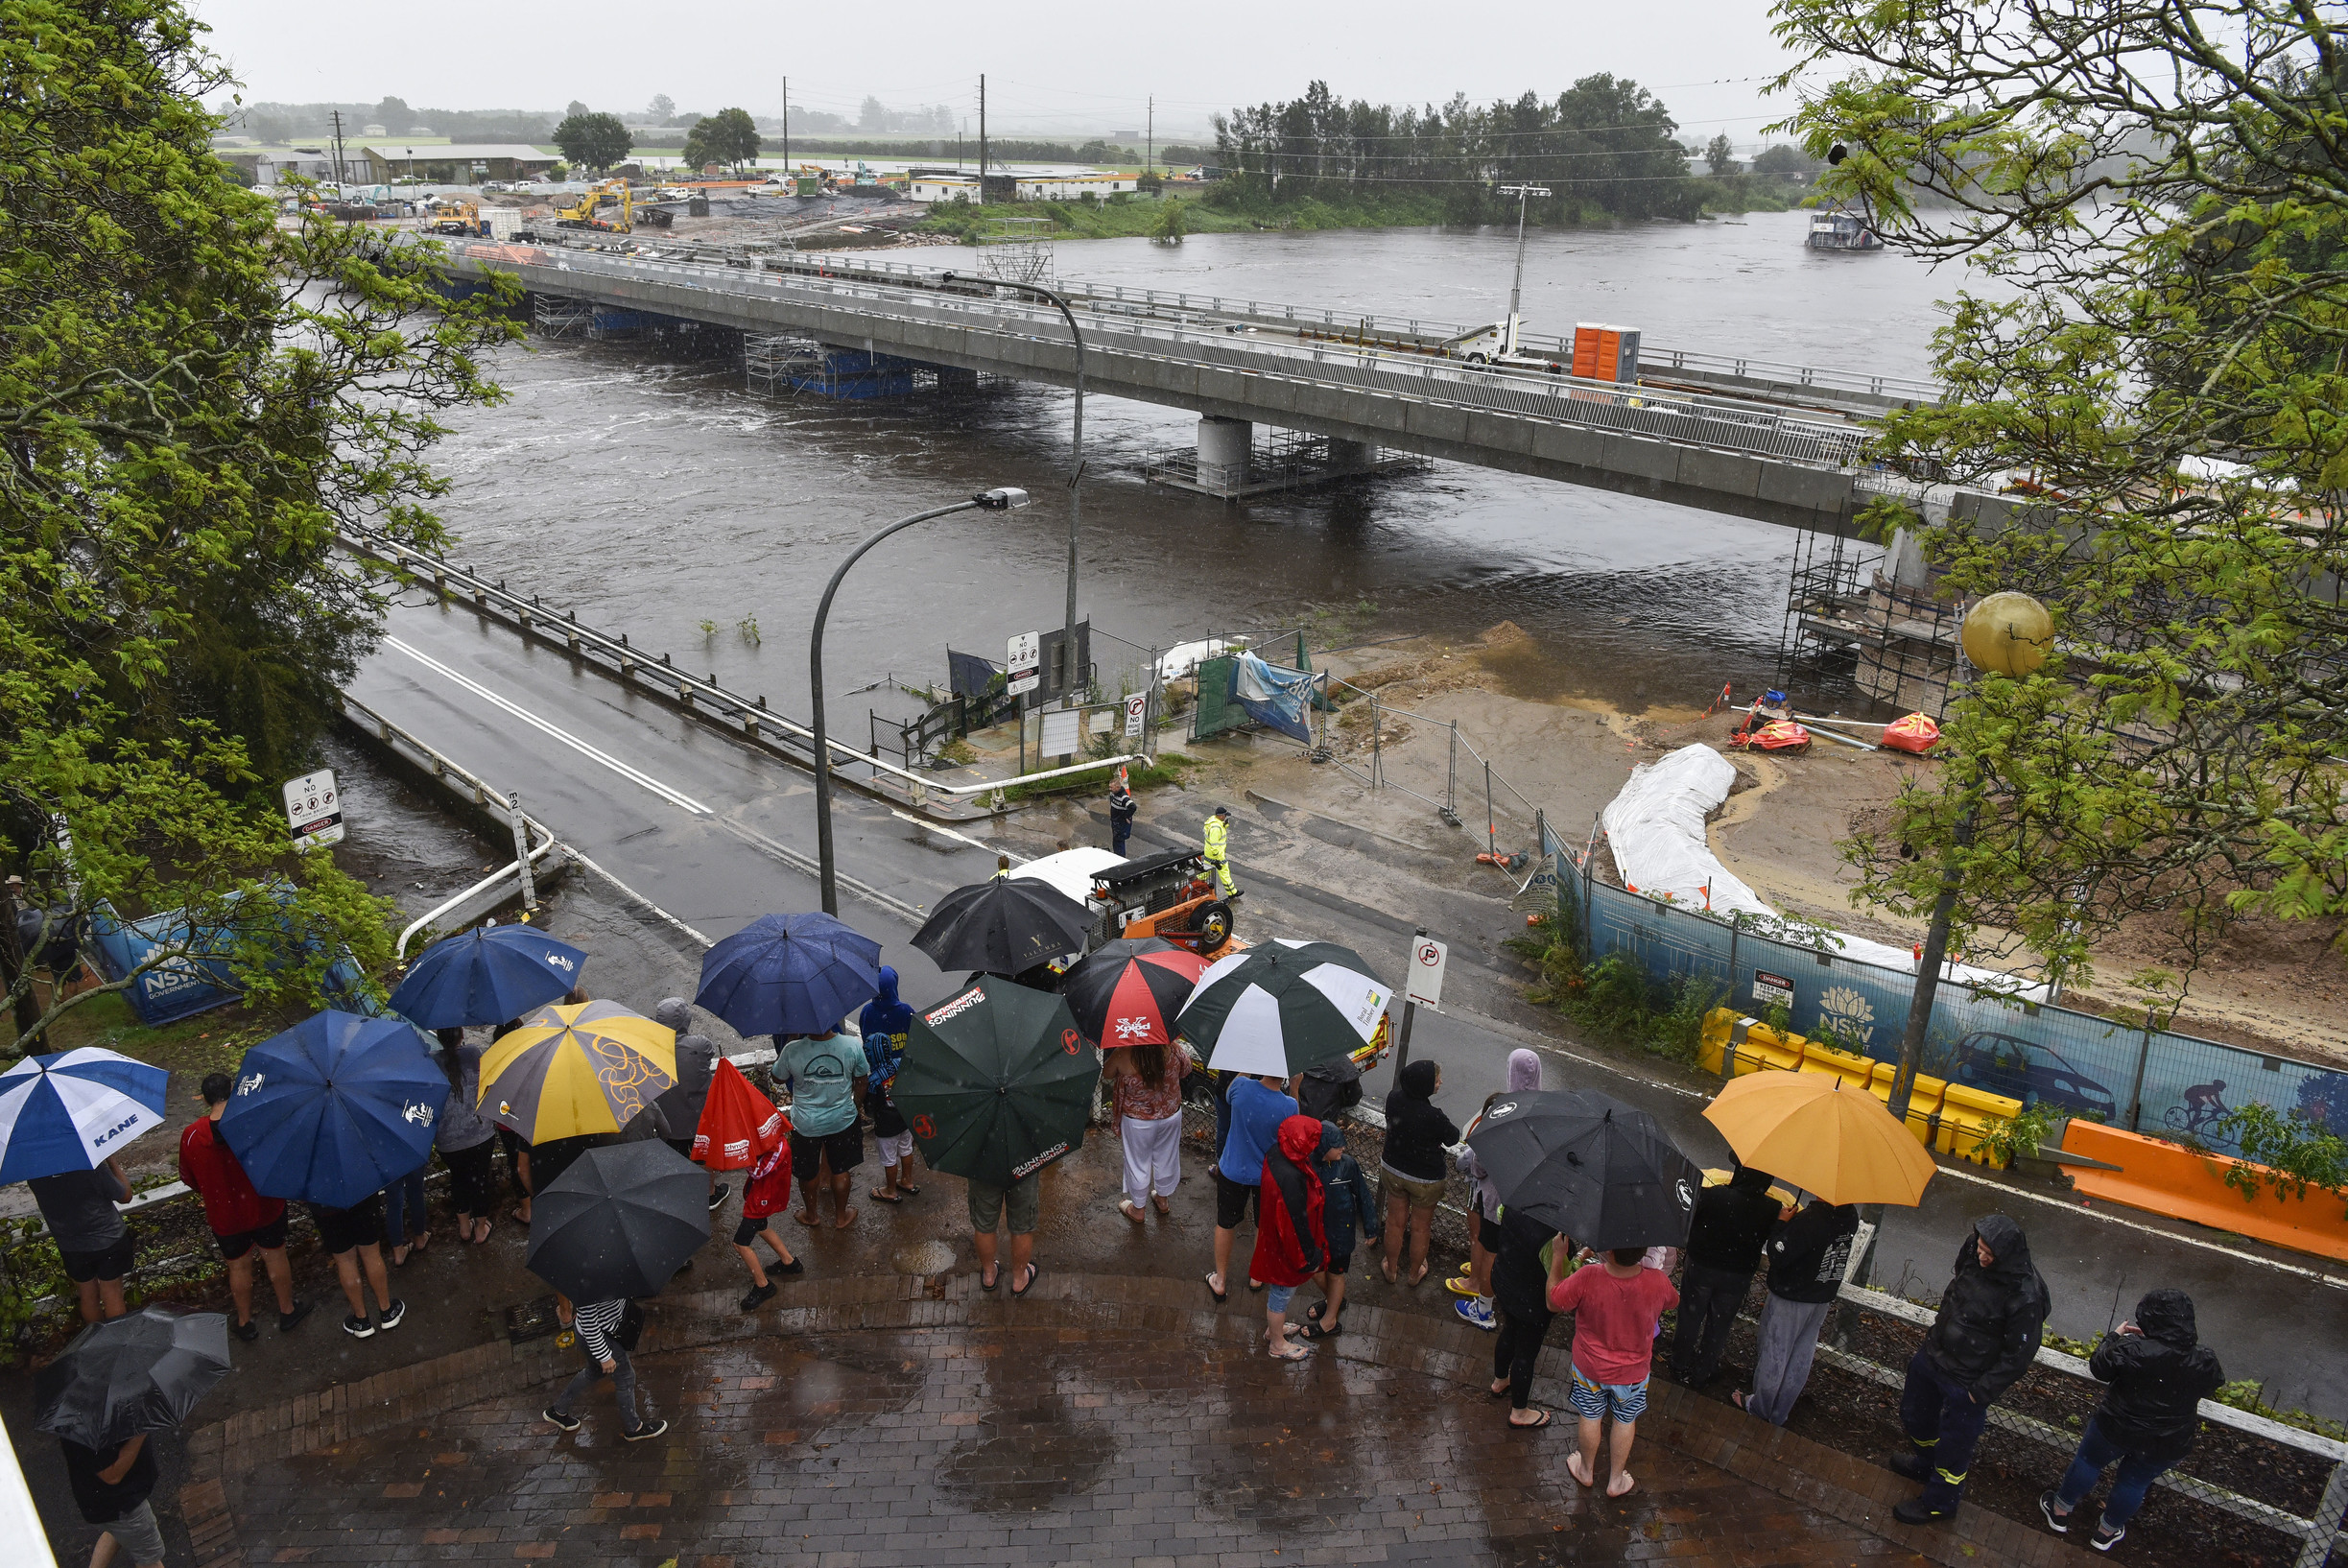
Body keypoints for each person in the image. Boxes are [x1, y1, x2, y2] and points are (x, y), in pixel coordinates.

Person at [1891, 1214, 2051, 1525]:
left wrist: (1979, 1393)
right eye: (1980, 1248)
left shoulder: (2025, 1295)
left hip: (1967, 1383)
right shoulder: (1973, 1251)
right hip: (1934, 1356)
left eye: (1988, 1255)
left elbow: (2019, 1354)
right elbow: (1960, 1280)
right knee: (1914, 1415)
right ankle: (1926, 1463)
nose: (1981, 1256)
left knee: (1954, 1450)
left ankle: (1940, 1502)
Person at [2040, 1288, 2223, 1553]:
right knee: (2135, 1481)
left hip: (2116, 1427)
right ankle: (2106, 1532)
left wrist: (2115, 1336)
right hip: (2166, 1440)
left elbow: (2099, 1367)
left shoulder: (2133, 1349)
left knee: (2089, 1462)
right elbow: (2211, 1385)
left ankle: (2060, 1511)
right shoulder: (2204, 1359)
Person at [178, 1073, 310, 1339]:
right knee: (275, 1257)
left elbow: (189, 1177)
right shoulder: (255, 1123)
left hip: (225, 1216)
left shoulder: (191, 1136)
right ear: (234, 1091)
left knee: (238, 1268)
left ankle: (244, 1322)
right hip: (266, 1208)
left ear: (205, 1100)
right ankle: (287, 1310)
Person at [1551, 1245, 1681, 1497]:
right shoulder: (1657, 1281)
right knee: (1625, 1419)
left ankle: (1586, 1470)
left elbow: (1556, 1300)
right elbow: (1672, 1302)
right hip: (1632, 1374)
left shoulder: (1588, 1276)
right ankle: (1616, 1479)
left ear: (1608, 1250)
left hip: (1590, 1368)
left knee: (1590, 1415)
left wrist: (1560, 1256)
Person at [1734, 1194, 1860, 1424]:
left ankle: (1760, 1406)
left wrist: (1781, 1223)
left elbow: (1779, 1254)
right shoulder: (1850, 1216)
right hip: (1821, 1296)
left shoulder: (1812, 1218)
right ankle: (1780, 1411)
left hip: (1792, 1295)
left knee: (1776, 1352)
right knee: (1801, 1354)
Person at [1451, 1049, 1541, 1330]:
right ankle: (1508, 1298)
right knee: (1510, 1252)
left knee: (1490, 1251)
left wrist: (1477, 1170)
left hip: (1496, 1200)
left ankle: (1484, 1311)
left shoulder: (1504, 1111)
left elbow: (1481, 1165)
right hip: (1526, 1198)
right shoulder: (1541, 1110)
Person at [1670, 1163, 1780, 1387]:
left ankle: (1679, 1364)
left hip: (1701, 1266)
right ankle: (1703, 1370)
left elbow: (1689, 1217)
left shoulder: (1715, 1196)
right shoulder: (1772, 1208)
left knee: (1690, 1317)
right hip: (1737, 1275)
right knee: (1719, 1325)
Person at [1205, 1070, 1296, 1302]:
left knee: (1225, 1223)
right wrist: (1295, 1086)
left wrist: (1248, 1062)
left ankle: (1221, 1280)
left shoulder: (1242, 1088)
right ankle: (1257, 1276)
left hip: (1233, 1169)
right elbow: (1295, 1131)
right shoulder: (1288, 1105)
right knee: (1262, 1225)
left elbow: (1227, 1095)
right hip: (1267, 1176)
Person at [1248, 1114, 1329, 1361]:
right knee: (1281, 1293)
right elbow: (1296, 1222)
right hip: (1286, 1249)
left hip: (1272, 1238)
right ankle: (1277, 1342)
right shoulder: (1292, 1179)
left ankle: (1275, 1329)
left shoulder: (1276, 1152)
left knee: (1278, 1290)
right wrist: (1310, 1255)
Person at [774, 1023, 866, 1229]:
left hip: (806, 1124)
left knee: (807, 1172)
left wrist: (791, 1039)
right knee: (841, 1169)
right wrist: (854, 1107)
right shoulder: (851, 1045)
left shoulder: (793, 1049)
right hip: (842, 1120)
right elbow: (862, 1080)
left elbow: (778, 1077)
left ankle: (811, 1215)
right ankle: (841, 1217)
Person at [1485, 1204, 1570, 1428]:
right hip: (1531, 1303)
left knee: (1509, 1330)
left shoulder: (1513, 1204)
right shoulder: (1553, 1237)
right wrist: (1573, 1256)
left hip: (1505, 1283)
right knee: (1526, 1354)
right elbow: (1562, 1284)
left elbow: (1500, 1215)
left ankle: (1500, 1380)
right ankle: (1519, 1412)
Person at [540, 1295, 667, 1441]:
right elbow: (590, 1325)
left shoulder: (605, 1276)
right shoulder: (591, 1284)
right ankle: (634, 1428)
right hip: (602, 1339)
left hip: (594, 1335)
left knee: (593, 1372)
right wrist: (604, 1356)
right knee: (625, 1378)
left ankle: (558, 1410)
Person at [1379, 1058, 1457, 1288]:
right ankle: (1414, 1274)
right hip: (1425, 1179)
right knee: (1421, 1227)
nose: (1440, 1083)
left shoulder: (1393, 1099)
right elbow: (1452, 1137)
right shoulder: (1434, 1116)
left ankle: (1391, 1269)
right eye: (1436, 1080)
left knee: (1394, 1222)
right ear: (1424, 1085)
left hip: (1393, 1169)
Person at [30, 1156, 132, 1324]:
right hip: (108, 1239)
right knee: (112, 1294)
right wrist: (111, 1160)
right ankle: (118, 1342)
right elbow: (125, 1195)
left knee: (88, 1296)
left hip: (71, 1246)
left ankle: (95, 1344)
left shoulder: (34, 1172)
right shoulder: (87, 1164)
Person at [1304, 1119, 1378, 1340]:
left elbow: (1363, 1195)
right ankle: (1334, 1300)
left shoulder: (1348, 1165)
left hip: (1341, 1234)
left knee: (1336, 1274)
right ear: (1324, 1147)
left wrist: (1371, 1227)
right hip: (1316, 1232)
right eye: (1337, 1146)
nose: (1342, 1149)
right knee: (1314, 1271)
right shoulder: (1308, 1164)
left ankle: (1330, 1320)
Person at [652, 998, 727, 1213]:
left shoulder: (652, 1048)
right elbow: (708, 1055)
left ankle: (682, 1193)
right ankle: (710, 1193)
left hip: (669, 1121)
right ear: (685, 1020)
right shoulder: (699, 1045)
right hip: (698, 1119)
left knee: (676, 1157)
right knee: (703, 1155)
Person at [1107, 1038, 1189, 1223]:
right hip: (1170, 1115)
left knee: (1137, 1163)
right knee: (1167, 1157)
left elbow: (1107, 1073)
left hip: (1138, 1121)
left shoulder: (1123, 1053)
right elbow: (1186, 1069)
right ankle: (1162, 1199)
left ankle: (1138, 1210)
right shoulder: (1172, 1048)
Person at [858, 969, 921, 1205]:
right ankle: (908, 1180)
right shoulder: (906, 1011)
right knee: (906, 1141)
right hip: (904, 1085)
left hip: (881, 1094)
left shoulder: (867, 1011)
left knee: (887, 1147)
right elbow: (916, 1040)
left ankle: (890, 1189)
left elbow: (865, 1040)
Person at [432, 1031, 501, 1245]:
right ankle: (480, 1229)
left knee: (458, 1179)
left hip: (447, 1140)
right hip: (480, 1134)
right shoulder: (473, 1053)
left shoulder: (432, 1061)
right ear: (462, 1034)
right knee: (480, 1178)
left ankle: (464, 1227)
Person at [59, 1429, 163, 1568]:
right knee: (149, 1560)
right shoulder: (88, 1429)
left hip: (106, 1506)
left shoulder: (78, 1418)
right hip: (124, 1505)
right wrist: (140, 1432)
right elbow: (111, 1475)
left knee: (117, 1532)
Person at [310, 1189, 404, 1338]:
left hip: (324, 1202)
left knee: (345, 1260)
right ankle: (387, 1312)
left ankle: (361, 1321)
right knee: (371, 1254)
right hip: (361, 1194)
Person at [734, 1140, 803, 1312]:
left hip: (761, 1198)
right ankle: (789, 1262)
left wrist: (741, 1157)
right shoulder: (774, 1138)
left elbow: (758, 1171)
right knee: (761, 1226)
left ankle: (763, 1286)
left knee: (740, 1243)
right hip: (762, 1194)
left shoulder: (778, 1147)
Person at [968, 1168, 1040, 1295]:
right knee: (1021, 1225)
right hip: (1023, 1163)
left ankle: (989, 1275)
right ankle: (1019, 1280)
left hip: (983, 1163)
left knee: (985, 1224)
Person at [381, 1156, 431, 1268]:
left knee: (393, 1202)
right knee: (416, 1192)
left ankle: (398, 1252)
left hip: (384, 1156)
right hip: (409, 1148)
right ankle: (420, 1238)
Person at [1201, 804, 1240, 898]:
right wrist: (1217, 857)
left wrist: (1225, 825)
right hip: (1216, 855)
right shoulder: (1216, 828)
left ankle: (1194, 885)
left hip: (1209, 853)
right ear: (1221, 816)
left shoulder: (1214, 821)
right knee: (1224, 872)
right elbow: (1214, 843)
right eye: (1225, 815)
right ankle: (1232, 893)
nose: (1226, 817)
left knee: (1205, 872)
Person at [1108, 776, 1137, 856]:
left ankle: (1121, 859)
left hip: (1121, 824)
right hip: (1115, 822)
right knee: (1115, 841)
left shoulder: (1124, 798)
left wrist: (1126, 816)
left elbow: (1133, 807)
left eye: (1111, 787)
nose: (1110, 789)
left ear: (1118, 787)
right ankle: (1117, 856)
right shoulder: (1113, 794)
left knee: (1119, 842)